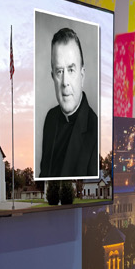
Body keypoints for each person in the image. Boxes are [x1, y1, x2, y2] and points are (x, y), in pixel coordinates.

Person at [40, 28, 98, 178]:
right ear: (53, 76)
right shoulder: (50, 119)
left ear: (82, 75)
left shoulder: (95, 129)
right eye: (59, 71)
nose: (65, 82)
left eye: (71, 70)